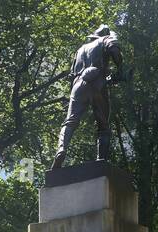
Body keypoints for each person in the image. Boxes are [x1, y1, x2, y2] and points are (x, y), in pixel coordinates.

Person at [51, 25, 124, 169]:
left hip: (78, 85)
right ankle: (100, 159)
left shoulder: (80, 50)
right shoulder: (106, 39)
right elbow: (115, 51)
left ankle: (61, 150)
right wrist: (120, 69)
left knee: (70, 121)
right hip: (97, 82)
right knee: (103, 126)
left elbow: (72, 76)